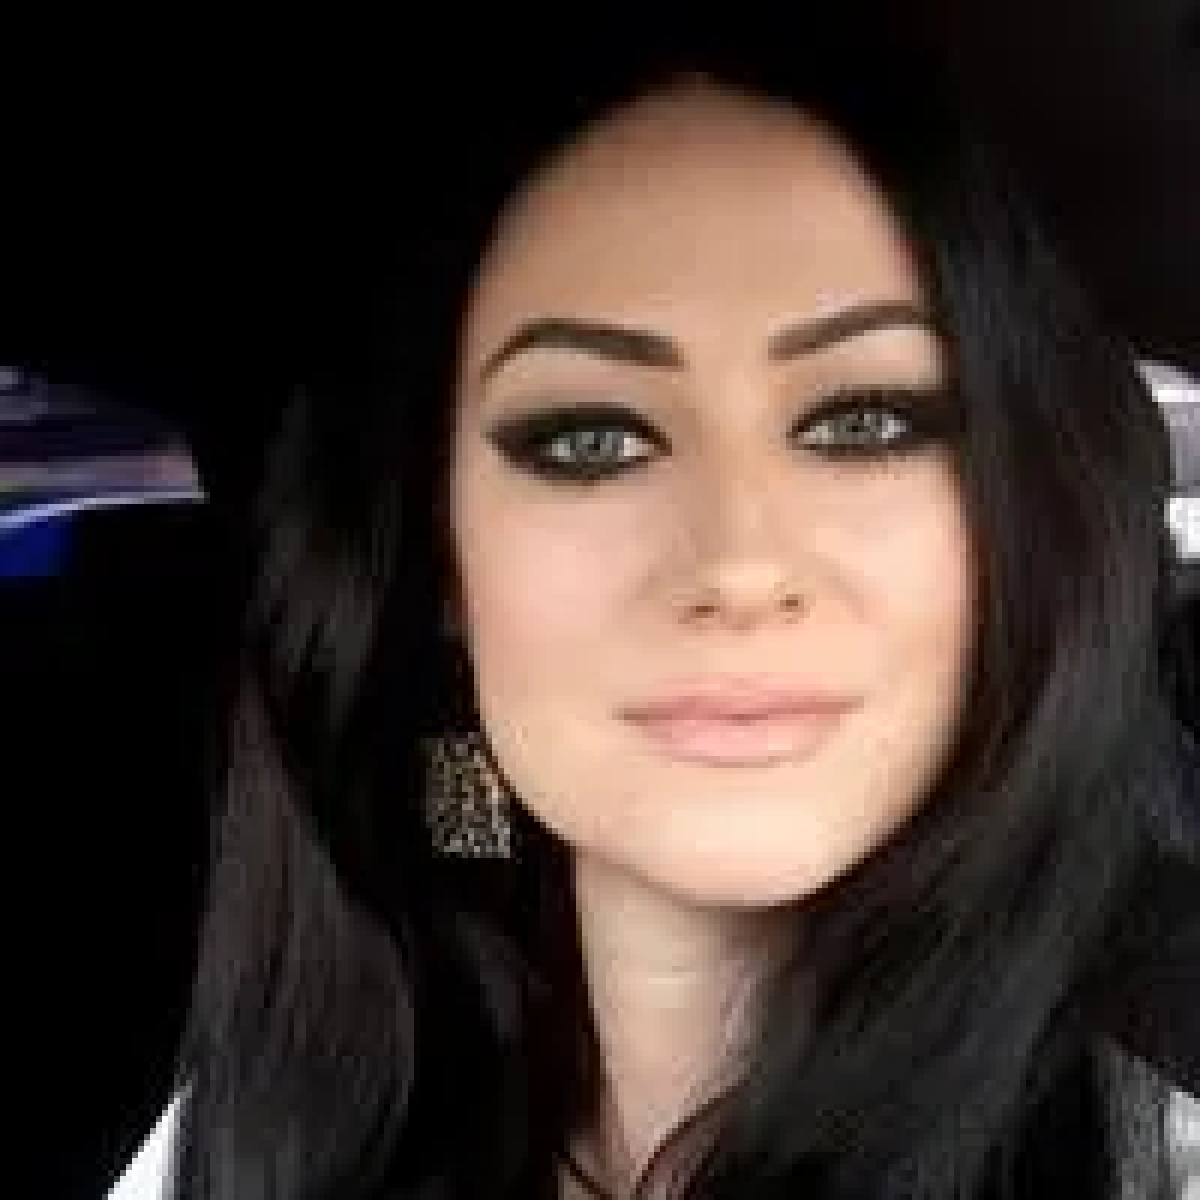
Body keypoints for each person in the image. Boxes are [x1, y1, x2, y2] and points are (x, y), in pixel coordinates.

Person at [111, 24, 1199, 1200]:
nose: (740, 563)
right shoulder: (249, 1135)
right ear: (445, 569)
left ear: (1016, 530)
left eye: (865, 423)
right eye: (590, 441)